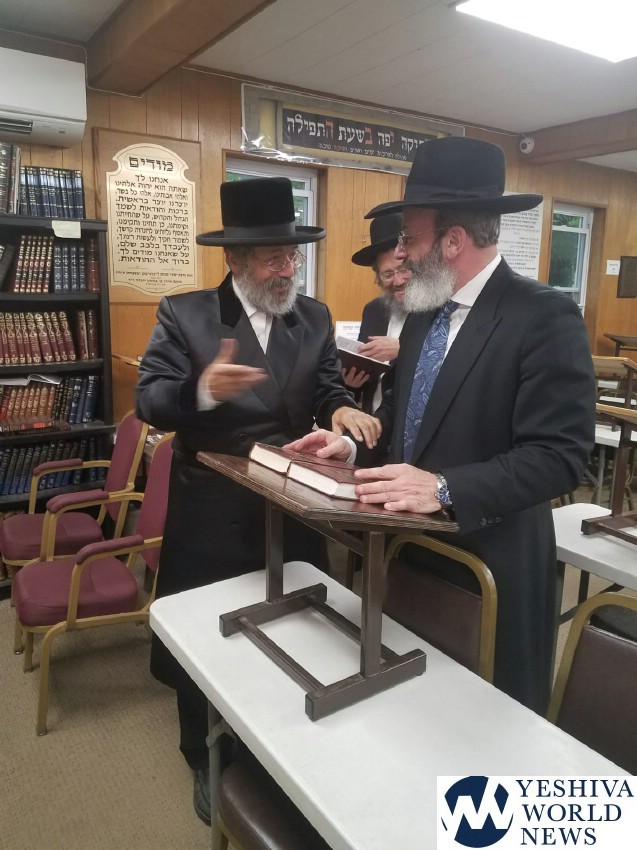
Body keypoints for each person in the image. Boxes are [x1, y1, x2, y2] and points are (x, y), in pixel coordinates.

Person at [286, 136, 596, 716]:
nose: (400, 253)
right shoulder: (426, 314)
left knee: (479, 726)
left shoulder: (543, 316)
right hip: (411, 556)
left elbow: (559, 456)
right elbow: (405, 421)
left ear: (453, 241)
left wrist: (446, 487)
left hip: (489, 565)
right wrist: (351, 447)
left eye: (409, 237)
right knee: (406, 710)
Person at [135, 176, 379, 825]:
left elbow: (326, 387)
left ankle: (276, 747)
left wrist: (341, 409)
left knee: (292, 630)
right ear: (235, 259)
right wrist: (202, 389)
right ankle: (201, 754)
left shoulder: (314, 316)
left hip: (293, 505)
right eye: (274, 257)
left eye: (292, 254)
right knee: (207, 637)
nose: (288, 268)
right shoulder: (185, 313)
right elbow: (149, 400)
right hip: (212, 509)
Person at [344, 213, 410, 412]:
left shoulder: (436, 311)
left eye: (403, 269)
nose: (397, 281)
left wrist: (402, 350)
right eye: (387, 274)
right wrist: (352, 383)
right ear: (378, 278)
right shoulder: (373, 310)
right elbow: (366, 376)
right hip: (372, 422)